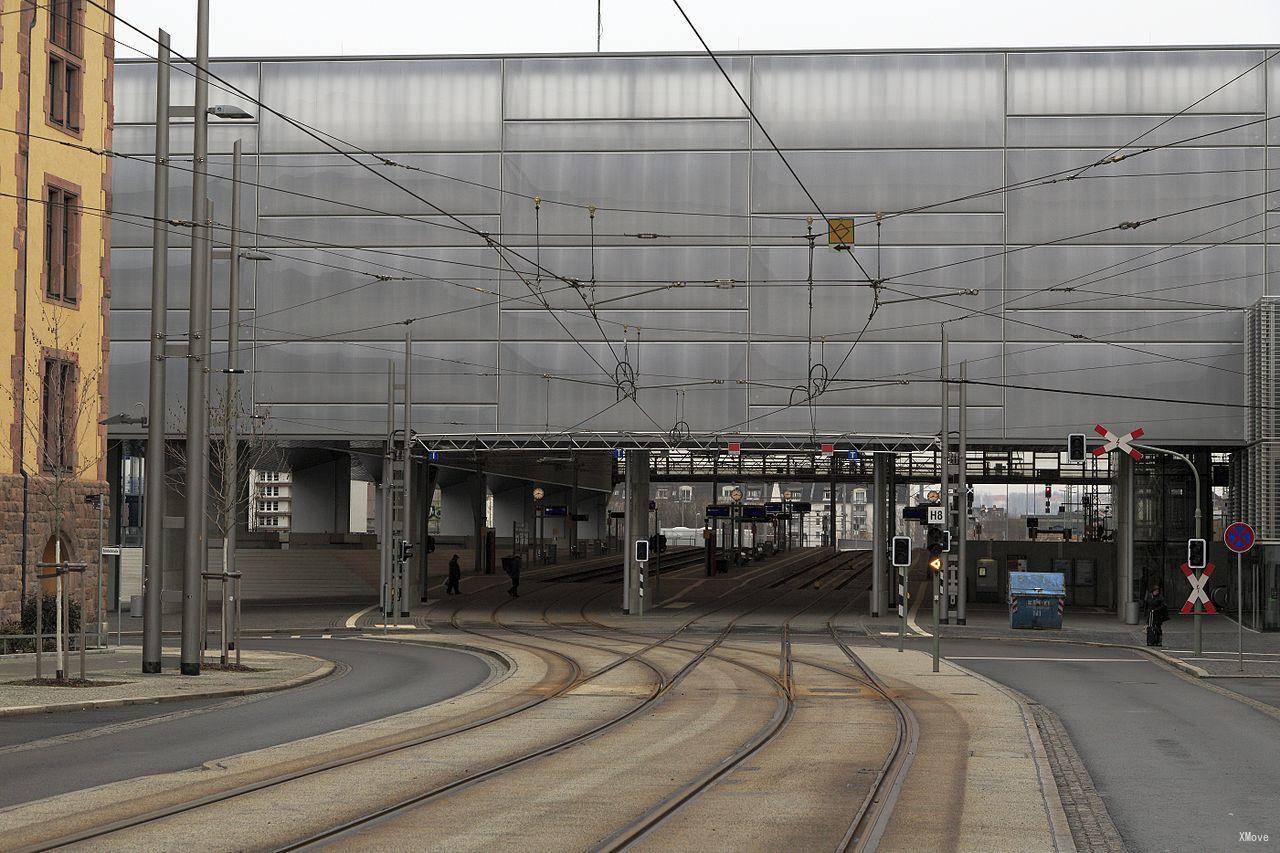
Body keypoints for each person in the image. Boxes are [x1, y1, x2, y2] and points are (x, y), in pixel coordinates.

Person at [1144, 580, 1169, 647]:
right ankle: (1151, 641)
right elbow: (1147, 605)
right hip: (1151, 615)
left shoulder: (1160, 598)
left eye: (1157, 591)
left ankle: (1158, 641)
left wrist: (1156, 610)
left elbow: (1163, 606)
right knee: (1150, 627)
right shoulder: (1149, 597)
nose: (1156, 592)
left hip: (1158, 616)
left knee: (1157, 628)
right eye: (1155, 591)